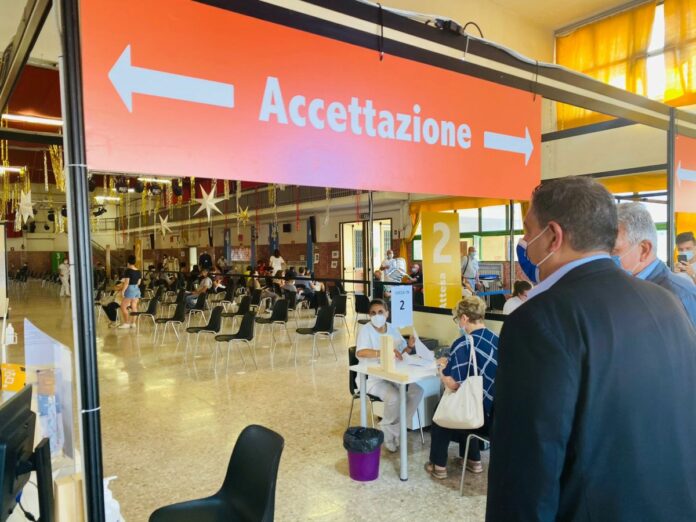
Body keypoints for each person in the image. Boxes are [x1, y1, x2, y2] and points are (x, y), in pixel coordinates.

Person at [486, 177, 696, 522]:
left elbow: (526, 471)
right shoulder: (666, 302)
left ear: (553, 236)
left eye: (528, 230)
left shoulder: (539, 320)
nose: (525, 242)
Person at [425, 296, 498, 479]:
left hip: (479, 417)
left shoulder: (463, 343)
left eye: (457, 319)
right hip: (497, 415)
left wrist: (441, 369)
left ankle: (438, 466)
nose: (458, 323)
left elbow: (454, 383)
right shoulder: (497, 339)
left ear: (464, 318)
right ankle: (474, 460)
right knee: (468, 403)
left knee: (443, 413)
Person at [356, 299, 422, 452]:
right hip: (373, 378)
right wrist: (383, 352)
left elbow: (401, 353)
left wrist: (410, 346)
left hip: (393, 374)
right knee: (394, 397)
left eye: (380, 312)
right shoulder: (366, 330)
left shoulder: (392, 328)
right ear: (369, 315)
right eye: (373, 313)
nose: (377, 315)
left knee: (417, 391)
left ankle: (392, 430)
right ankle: (392, 434)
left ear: (387, 313)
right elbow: (360, 352)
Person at [614, 203, 696, 325]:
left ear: (644, 250)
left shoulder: (679, 295)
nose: (604, 258)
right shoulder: (619, 286)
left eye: (613, 251)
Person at [118, 255, 142, 329]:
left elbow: (126, 283)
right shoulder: (138, 271)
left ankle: (127, 323)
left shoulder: (128, 271)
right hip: (137, 289)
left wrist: (123, 291)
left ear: (128, 263)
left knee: (123, 306)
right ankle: (133, 323)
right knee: (134, 306)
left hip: (130, 289)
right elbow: (139, 283)